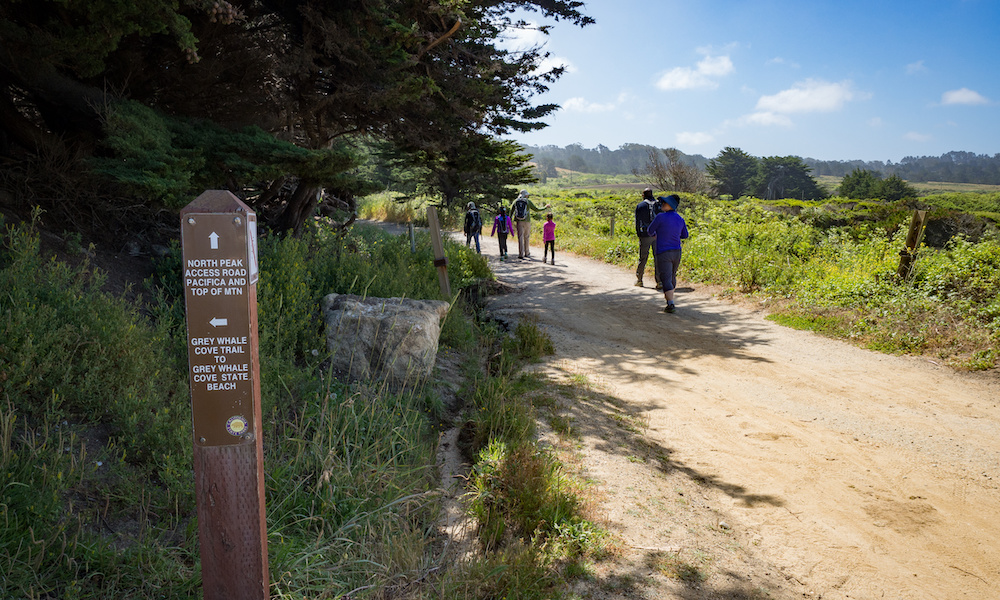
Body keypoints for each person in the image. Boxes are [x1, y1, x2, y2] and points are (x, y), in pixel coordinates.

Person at [647, 194, 689, 313]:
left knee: (665, 277)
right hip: (677, 251)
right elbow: (685, 235)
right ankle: (671, 298)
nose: (662, 205)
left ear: (670, 205)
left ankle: (670, 303)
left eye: (664, 203)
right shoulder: (680, 218)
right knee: (672, 275)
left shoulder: (660, 217)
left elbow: (650, 230)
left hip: (663, 251)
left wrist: (657, 235)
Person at [510, 190, 550, 259]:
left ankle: (521, 254)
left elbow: (511, 211)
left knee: (520, 237)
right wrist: (545, 207)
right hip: (527, 221)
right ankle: (527, 253)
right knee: (526, 237)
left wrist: (509, 220)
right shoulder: (528, 201)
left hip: (519, 221)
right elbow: (536, 209)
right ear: (525, 195)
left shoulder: (516, 201)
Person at [634, 187, 661, 289]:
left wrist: (639, 234)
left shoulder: (640, 206)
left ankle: (639, 279)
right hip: (658, 235)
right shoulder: (658, 204)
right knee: (658, 258)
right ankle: (659, 281)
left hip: (645, 234)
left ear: (643, 195)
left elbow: (637, 222)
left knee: (643, 258)